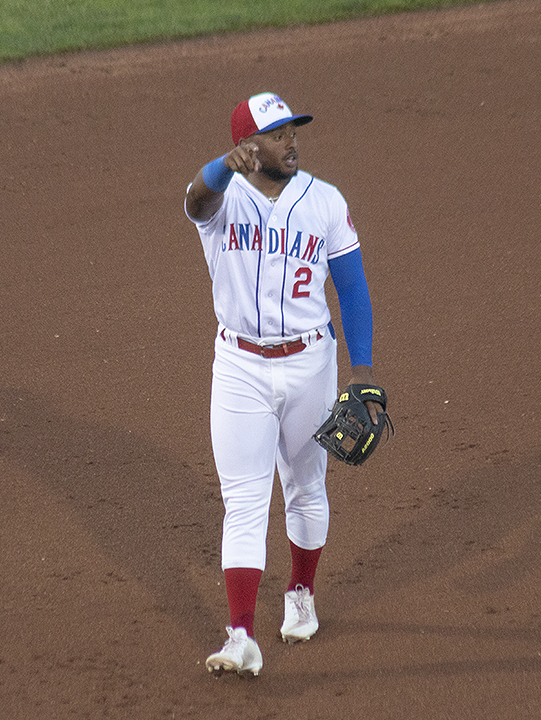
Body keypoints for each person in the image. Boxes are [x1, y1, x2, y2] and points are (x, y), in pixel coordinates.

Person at [184, 92, 382, 677]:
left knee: (305, 487)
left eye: (293, 131)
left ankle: (300, 591)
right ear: (247, 147)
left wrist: (363, 371)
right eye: (277, 135)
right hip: (239, 367)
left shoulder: (325, 201)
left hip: (309, 365)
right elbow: (195, 198)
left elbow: (353, 289)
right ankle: (240, 634)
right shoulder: (222, 201)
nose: (291, 142)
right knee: (244, 502)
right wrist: (221, 166)